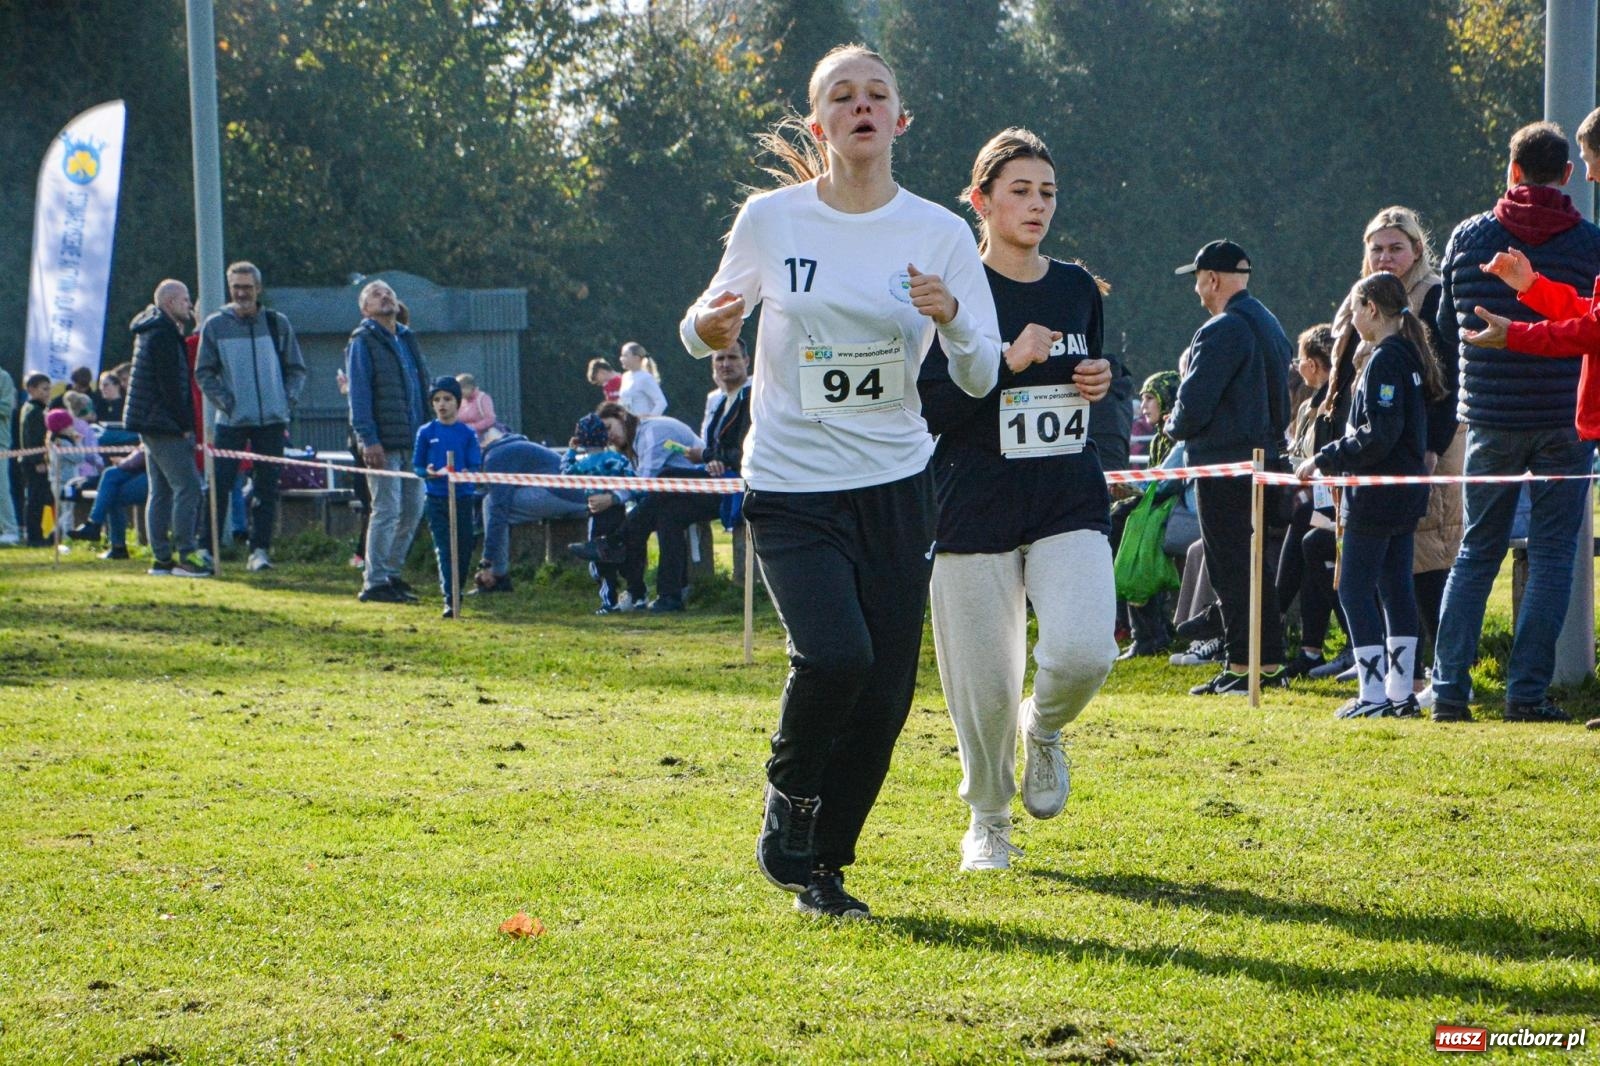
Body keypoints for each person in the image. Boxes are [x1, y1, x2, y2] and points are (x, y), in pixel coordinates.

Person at [678, 45, 1055, 918]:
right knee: (835, 655)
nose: (861, 107)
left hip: (892, 482)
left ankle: (823, 864)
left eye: (877, 95)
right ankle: (790, 796)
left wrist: (955, 317)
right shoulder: (771, 220)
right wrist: (708, 324)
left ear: (899, 120)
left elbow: (976, 378)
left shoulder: (936, 233)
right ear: (820, 125)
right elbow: (702, 329)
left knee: (886, 692)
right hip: (789, 483)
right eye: (842, 97)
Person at [917, 127, 1116, 871]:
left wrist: (1099, 380)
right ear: (981, 201)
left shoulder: (1073, 286)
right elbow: (929, 404)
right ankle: (989, 821)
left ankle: (1048, 728)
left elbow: (1096, 373)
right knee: (984, 687)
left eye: (1048, 193)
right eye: (1022, 191)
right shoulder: (949, 291)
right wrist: (1006, 360)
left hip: (1066, 493)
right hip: (972, 502)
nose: (1038, 206)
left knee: (1085, 651)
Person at [1429, 120, 1600, 724]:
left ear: (1512, 170)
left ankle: (1449, 688)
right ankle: (1525, 693)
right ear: (1569, 176)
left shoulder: (1470, 236)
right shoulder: (1591, 243)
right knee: (1554, 555)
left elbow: (1448, 330)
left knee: (1477, 550)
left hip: (1491, 417)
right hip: (1564, 419)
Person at [1298, 272, 1445, 717]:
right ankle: (1400, 694)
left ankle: (1373, 693)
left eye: (1355, 309)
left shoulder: (1386, 359)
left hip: (1378, 495)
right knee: (1395, 587)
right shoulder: (1408, 355)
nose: (1351, 319)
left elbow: (1379, 433)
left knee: (1355, 589)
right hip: (1403, 494)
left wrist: (1325, 457)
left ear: (1371, 309)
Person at [1330, 208, 1458, 697]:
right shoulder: (1359, 303)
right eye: (1376, 248)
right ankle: (1398, 678)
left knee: (1423, 567)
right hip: (1369, 456)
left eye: (1395, 247)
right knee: (1391, 576)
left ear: (1417, 250)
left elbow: (1446, 383)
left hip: (1417, 454)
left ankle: (1420, 676)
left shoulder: (1434, 297)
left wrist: (1429, 450)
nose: (1385, 257)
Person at [1166, 239, 1293, 694]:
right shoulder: (1269, 323)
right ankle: (1268, 662)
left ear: (1213, 279)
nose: (1197, 291)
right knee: (1255, 567)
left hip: (1223, 465)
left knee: (1230, 568)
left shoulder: (1220, 329)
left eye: (1198, 281)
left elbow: (1194, 405)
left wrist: (1173, 423)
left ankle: (1242, 664)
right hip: (1264, 459)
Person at [193, 261, 308, 572]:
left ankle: (259, 550)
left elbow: (296, 368)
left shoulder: (277, 323)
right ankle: (206, 546)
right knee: (219, 485)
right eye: (236, 287)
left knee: (266, 487)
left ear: (258, 289)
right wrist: (226, 402)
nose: (241, 292)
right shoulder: (216, 325)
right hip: (231, 420)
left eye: (247, 287)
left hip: (272, 419)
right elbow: (203, 372)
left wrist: (286, 401)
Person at [639, 339, 754, 613]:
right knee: (669, 515)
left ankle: (622, 539)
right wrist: (709, 458)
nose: (725, 364)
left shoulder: (753, 397)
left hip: (739, 486)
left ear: (746, 362)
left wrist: (707, 458)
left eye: (732, 358)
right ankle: (670, 595)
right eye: (719, 359)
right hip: (714, 480)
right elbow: (711, 447)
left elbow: (744, 452)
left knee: (666, 475)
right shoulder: (714, 399)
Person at [566, 401, 705, 612]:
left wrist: (613, 499)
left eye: (609, 427)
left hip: (703, 487)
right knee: (660, 518)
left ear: (621, 415)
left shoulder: (651, 434)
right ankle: (666, 594)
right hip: (677, 495)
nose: (608, 436)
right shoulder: (638, 438)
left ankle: (614, 547)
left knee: (647, 512)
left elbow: (643, 481)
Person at [346, 279, 432, 604]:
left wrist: (429, 433)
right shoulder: (363, 341)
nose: (386, 297)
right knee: (386, 509)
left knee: (412, 509)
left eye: (390, 293)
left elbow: (421, 387)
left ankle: (392, 573)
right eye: (377, 294)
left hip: (414, 438)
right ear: (365, 309)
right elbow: (359, 393)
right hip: (383, 442)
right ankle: (375, 581)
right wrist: (368, 439)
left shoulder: (407, 339)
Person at [124, 279, 211, 577]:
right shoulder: (163, 334)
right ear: (171, 302)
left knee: (160, 491)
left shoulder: (150, 330)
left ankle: (161, 558)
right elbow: (171, 386)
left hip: (149, 422)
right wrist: (186, 425)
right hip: (164, 424)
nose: (189, 305)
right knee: (188, 487)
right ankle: (187, 555)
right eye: (186, 300)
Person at [1277, 325, 1347, 679]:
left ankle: (1273, 617)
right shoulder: (1308, 405)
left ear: (1314, 365)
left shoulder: (1334, 405)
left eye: (1301, 358)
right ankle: (1308, 648)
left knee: (1310, 532)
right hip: (1311, 504)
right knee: (1308, 537)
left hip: (1333, 506)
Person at [471, 424, 589, 594]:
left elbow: (498, 510)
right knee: (495, 506)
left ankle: (496, 576)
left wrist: (487, 559)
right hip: (576, 494)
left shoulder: (494, 460)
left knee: (491, 504)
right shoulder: (505, 448)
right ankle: (497, 573)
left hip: (564, 494)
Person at [412, 376, 481, 618]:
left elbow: (475, 466)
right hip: (436, 499)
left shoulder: (467, 433)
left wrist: (465, 475)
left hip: (462, 498)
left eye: (448, 399)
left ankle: (458, 590)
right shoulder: (426, 432)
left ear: (458, 403)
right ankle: (450, 599)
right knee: (444, 549)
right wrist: (428, 473)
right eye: (437, 400)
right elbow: (417, 466)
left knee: (462, 548)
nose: (442, 404)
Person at [561, 413, 637, 613]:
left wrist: (570, 451)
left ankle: (608, 601)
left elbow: (565, 475)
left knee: (599, 557)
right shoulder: (619, 459)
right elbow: (634, 481)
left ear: (581, 439)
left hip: (596, 513)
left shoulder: (583, 464)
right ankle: (635, 593)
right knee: (622, 552)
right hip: (619, 511)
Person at [68, 449, 148, 559]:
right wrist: (125, 462)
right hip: (143, 469)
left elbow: (142, 456)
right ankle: (95, 526)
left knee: (112, 494)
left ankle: (110, 541)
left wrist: (122, 462)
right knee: (110, 474)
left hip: (156, 474)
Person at [617, 342, 668, 417]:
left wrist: (649, 418)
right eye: (622, 355)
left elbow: (661, 402)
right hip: (629, 425)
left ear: (636, 358)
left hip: (643, 426)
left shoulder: (645, 378)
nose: (621, 359)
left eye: (625, 356)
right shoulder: (625, 376)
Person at [0, 365, 17, 546]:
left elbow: (6, 408)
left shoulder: (3, 377)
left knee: (1, 489)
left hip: (0, 442)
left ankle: (10, 530)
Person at [455, 373, 498, 440]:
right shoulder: (460, 400)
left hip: (485, 439)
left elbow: (490, 419)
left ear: (470, 387)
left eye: (461, 389)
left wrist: (472, 427)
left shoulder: (483, 398)